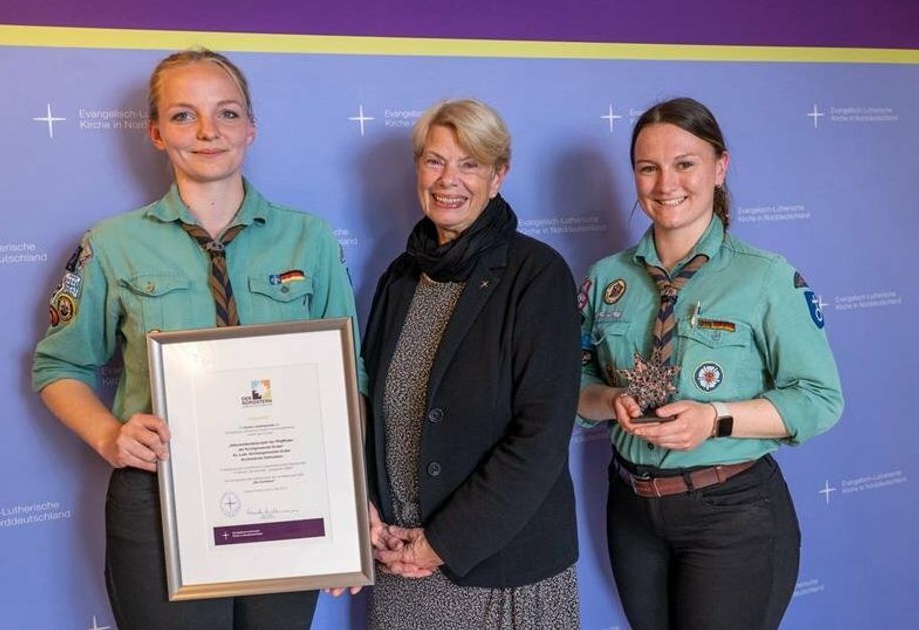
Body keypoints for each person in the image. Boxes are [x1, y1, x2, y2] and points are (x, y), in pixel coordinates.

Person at [31, 49, 364, 630]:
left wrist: (345, 506)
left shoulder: (308, 239)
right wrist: (110, 435)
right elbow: (58, 367)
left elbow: (345, 380)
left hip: (286, 490)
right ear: (156, 133)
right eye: (184, 116)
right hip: (157, 500)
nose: (209, 131)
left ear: (251, 127)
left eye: (227, 113)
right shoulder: (110, 245)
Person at [577, 97, 843, 630]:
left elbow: (818, 399)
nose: (665, 183)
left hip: (732, 513)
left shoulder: (765, 277)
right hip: (632, 510)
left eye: (685, 163)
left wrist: (714, 417)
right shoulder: (608, 277)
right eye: (647, 167)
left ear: (720, 168)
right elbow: (573, 382)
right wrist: (609, 401)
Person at [360, 98, 581, 629]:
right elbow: (369, 407)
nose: (447, 180)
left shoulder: (537, 276)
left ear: (498, 176)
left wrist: (442, 543)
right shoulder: (401, 276)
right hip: (401, 561)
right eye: (435, 161)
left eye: (470, 164)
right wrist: (363, 506)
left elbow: (541, 437)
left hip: (501, 568)